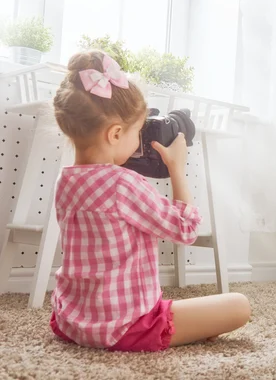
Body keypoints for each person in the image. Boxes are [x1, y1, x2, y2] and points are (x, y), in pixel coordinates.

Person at [49, 50, 251, 352]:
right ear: (116, 133)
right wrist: (176, 169)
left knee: (190, 308)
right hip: (127, 326)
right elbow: (185, 230)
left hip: (72, 321)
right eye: (137, 131)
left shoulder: (64, 181)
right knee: (239, 305)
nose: (139, 140)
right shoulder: (124, 184)